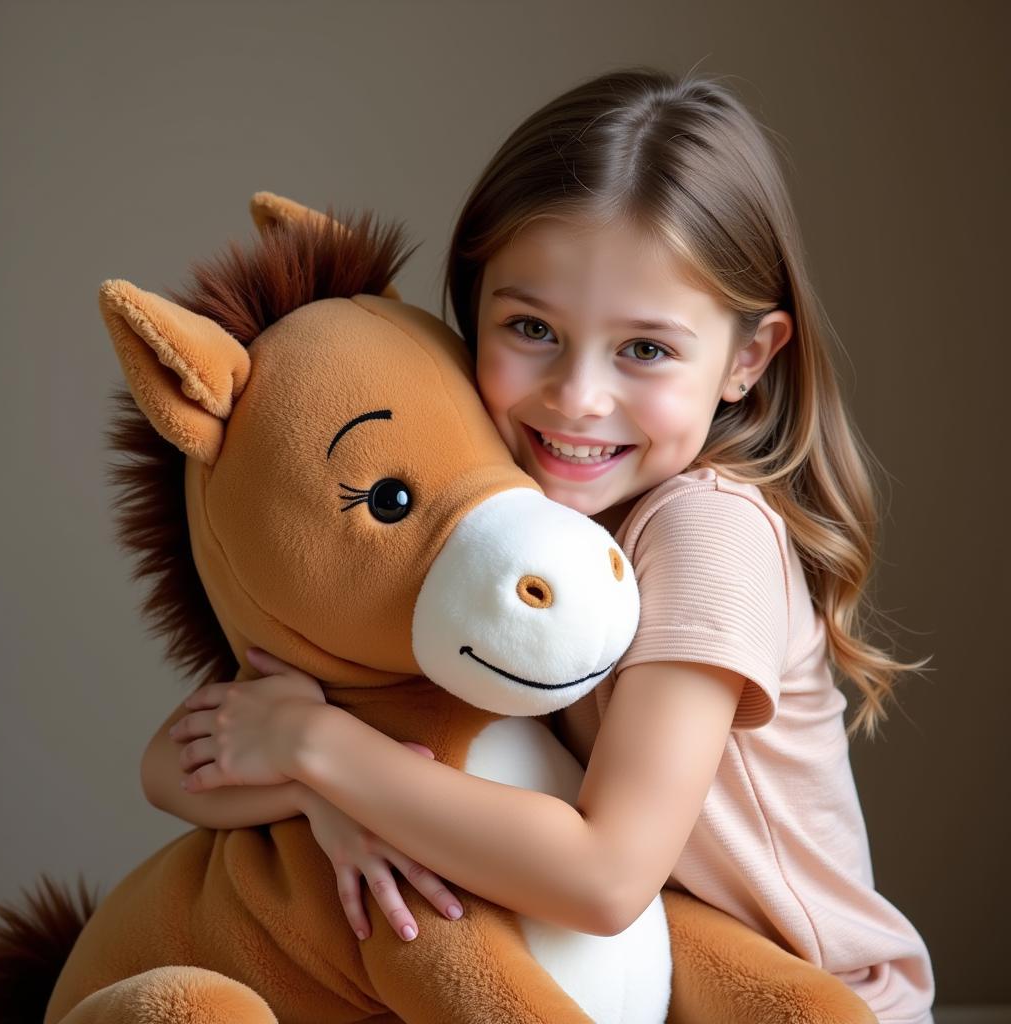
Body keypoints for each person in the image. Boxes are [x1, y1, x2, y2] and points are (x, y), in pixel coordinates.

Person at [144, 68, 935, 1022]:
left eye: (644, 349)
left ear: (747, 359)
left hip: (787, 999)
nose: (577, 397)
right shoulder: (494, 521)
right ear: (470, 316)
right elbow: (175, 771)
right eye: (531, 329)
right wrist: (324, 799)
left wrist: (317, 747)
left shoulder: (707, 532)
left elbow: (607, 879)